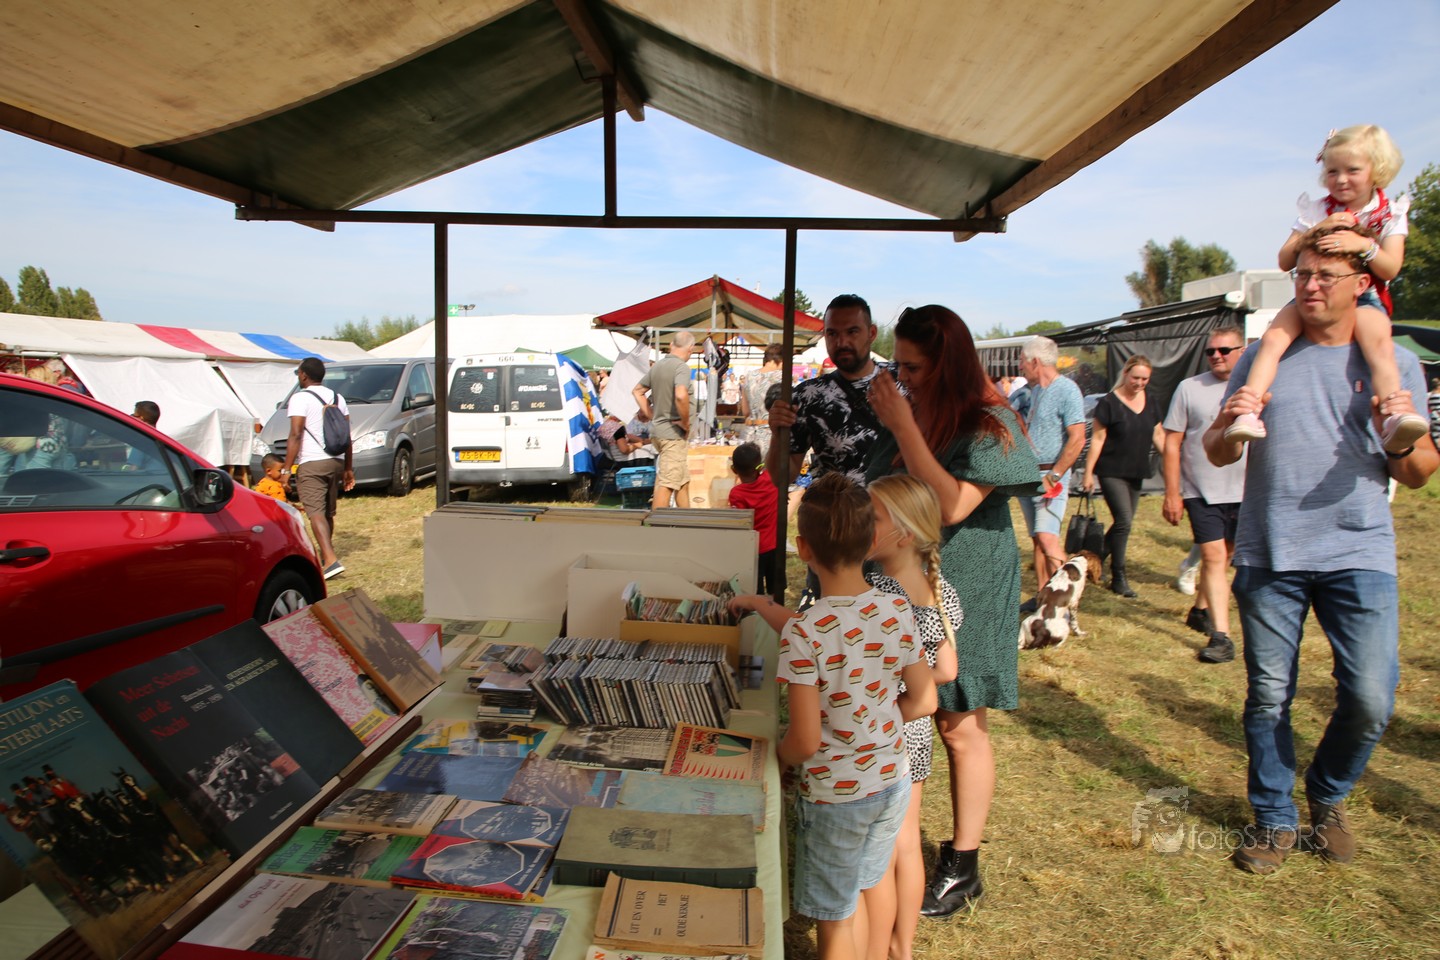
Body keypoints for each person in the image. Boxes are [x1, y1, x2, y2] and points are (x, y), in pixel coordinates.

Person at [1203, 226, 1438, 875]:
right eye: (1302, 274)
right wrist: (1228, 429)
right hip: (1269, 551)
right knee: (1268, 696)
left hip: (1360, 551)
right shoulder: (1263, 357)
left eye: (1324, 277)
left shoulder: (1394, 362)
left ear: (1360, 284)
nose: (1309, 286)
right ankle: (1274, 818)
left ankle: (1328, 794)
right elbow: (1216, 451)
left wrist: (1394, 438)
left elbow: (1421, 470)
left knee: (1371, 697)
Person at [864, 304, 1040, 918]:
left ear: (948, 364)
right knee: (905, 711)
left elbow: (951, 506)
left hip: (970, 580)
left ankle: (963, 865)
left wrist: (902, 423)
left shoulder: (992, 422)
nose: (904, 378)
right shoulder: (917, 409)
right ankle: (894, 842)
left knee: (959, 723)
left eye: (914, 368)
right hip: (905, 583)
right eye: (900, 366)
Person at [732, 472, 936, 960]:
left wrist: (778, 760)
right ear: (869, 541)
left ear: (802, 548)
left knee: (835, 918)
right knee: (872, 882)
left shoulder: (808, 631)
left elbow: (804, 740)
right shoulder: (896, 608)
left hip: (837, 795)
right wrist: (878, 725)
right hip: (892, 780)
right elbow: (926, 700)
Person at [1226, 125, 1427, 453]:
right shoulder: (1318, 210)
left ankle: (1393, 412)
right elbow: (1284, 260)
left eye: (1352, 170)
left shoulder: (1389, 213)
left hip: (1365, 296)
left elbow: (1391, 267)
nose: (1341, 179)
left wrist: (1364, 246)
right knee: (1273, 338)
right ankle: (1249, 410)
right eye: (1333, 171)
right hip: (1313, 292)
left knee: (1378, 342)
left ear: (1376, 170)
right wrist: (1315, 231)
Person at [1161, 326, 1247, 664]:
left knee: (1227, 555)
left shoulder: (1254, 387)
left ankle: (1199, 610)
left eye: (1224, 350)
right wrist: (1172, 492)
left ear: (1242, 351)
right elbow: (1172, 442)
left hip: (1244, 490)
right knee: (1212, 557)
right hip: (1201, 490)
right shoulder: (1189, 388)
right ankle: (1221, 636)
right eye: (1211, 351)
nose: (1216, 356)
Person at [1080, 355, 1165, 598]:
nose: (1139, 383)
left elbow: (1159, 435)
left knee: (1122, 525)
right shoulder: (1109, 403)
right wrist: (1088, 473)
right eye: (1136, 377)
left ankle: (1092, 559)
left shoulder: (1151, 401)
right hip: (1111, 471)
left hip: (1136, 471)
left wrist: (1175, 460)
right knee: (1124, 521)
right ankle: (1119, 577)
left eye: (1145, 379)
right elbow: (1097, 439)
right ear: (1126, 374)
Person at [1014, 336, 1086, 610]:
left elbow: (1077, 438)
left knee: (1047, 538)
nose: (1020, 366)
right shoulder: (1034, 392)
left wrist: (1054, 476)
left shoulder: (1067, 390)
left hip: (1050, 479)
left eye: (1023, 361)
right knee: (1037, 539)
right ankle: (1043, 599)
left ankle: (1066, 604)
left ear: (1035, 361)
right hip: (1030, 476)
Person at [281, 356, 353, 580]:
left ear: (303, 375)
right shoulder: (338, 397)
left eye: (299, 373)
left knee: (315, 513)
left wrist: (286, 469)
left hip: (312, 463)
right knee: (327, 513)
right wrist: (348, 468)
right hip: (335, 461)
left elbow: (295, 434)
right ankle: (325, 556)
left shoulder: (300, 398)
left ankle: (330, 560)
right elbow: (347, 436)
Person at [632, 331, 696, 510]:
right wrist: (685, 423)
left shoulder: (658, 366)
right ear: (690, 349)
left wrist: (652, 415)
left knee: (681, 481)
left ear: (672, 345)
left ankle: (688, 521)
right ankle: (657, 524)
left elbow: (637, 391)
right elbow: (681, 395)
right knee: (666, 485)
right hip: (672, 435)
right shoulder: (681, 367)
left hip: (660, 433)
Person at [727, 442, 779, 596]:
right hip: (775, 545)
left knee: (755, 592)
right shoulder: (770, 479)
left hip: (753, 550)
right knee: (776, 590)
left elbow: (740, 524)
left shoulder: (737, 494)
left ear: (733, 470)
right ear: (760, 467)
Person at [739, 344, 787, 457]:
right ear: (781, 360)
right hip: (773, 437)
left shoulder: (749, 376)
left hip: (750, 436)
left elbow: (745, 411)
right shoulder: (783, 377)